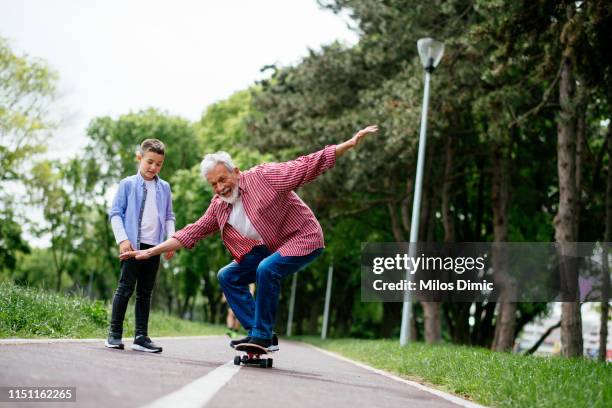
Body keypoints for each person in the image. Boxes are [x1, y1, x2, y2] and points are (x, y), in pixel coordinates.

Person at [120, 125, 378, 351]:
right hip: (270, 247)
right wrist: (149, 252)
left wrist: (348, 145)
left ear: (236, 172)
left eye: (223, 179)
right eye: (214, 184)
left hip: (303, 237)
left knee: (267, 269)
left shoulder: (264, 177)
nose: (220, 187)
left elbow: (305, 166)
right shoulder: (219, 206)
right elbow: (191, 231)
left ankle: (261, 335)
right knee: (227, 276)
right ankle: (261, 333)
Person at [105, 138, 176, 353]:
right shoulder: (127, 184)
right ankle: (114, 334)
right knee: (125, 288)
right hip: (132, 246)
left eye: (158, 164)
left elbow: (168, 216)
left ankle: (141, 337)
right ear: (139, 158)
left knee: (145, 292)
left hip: (154, 247)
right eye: (150, 162)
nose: (154, 167)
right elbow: (115, 213)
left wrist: (171, 240)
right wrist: (122, 239)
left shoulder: (164, 187)